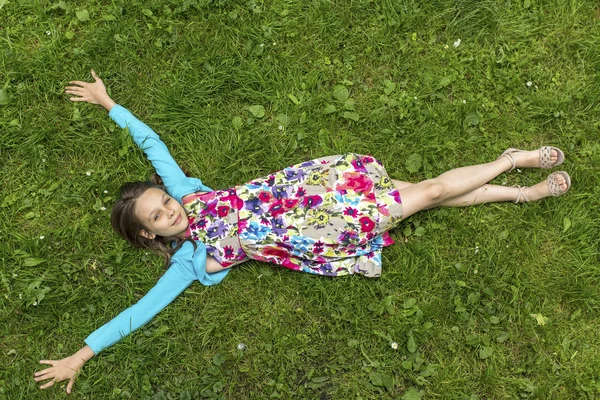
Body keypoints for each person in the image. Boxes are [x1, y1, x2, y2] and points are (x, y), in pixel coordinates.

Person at [34, 70, 571, 393]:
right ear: (150, 236)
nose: (170, 210)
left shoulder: (191, 192)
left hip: (318, 188)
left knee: (431, 194)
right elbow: (139, 312)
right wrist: (81, 355)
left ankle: (520, 185)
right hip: (331, 229)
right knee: (430, 193)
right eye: (157, 217)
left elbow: (154, 144)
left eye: (163, 200)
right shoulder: (188, 264)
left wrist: (111, 106)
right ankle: (512, 164)